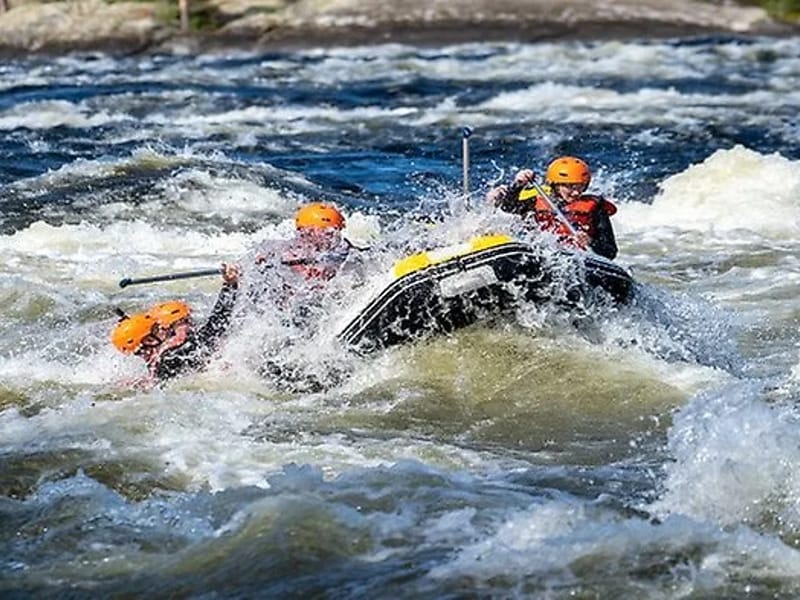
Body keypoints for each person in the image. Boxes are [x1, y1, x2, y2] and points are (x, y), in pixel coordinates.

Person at [111, 263, 240, 383]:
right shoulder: (172, 357)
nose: (164, 328)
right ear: (149, 341)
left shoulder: (161, 361)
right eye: (158, 329)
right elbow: (216, 325)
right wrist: (230, 285)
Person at [486, 156, 618, 260]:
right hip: (540, 255)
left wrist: (590, 242)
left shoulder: (596, 208)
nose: (576, 192)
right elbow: (508, 207)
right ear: (555, 185)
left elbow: (610, 252)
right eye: (570, 187)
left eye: (581, 186)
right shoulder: (536, 200)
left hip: (579, 261)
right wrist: (518, 185)